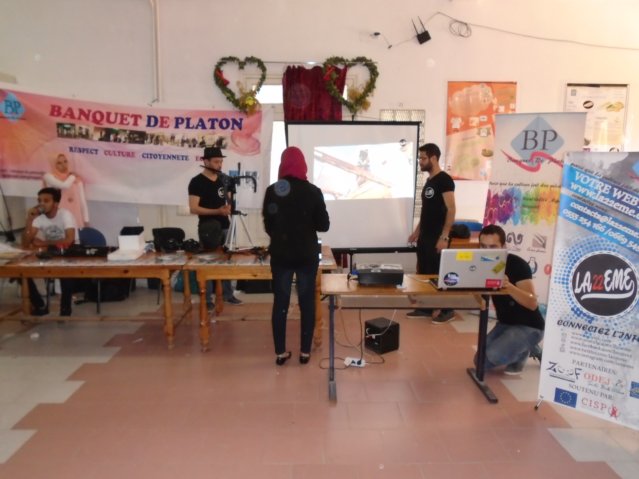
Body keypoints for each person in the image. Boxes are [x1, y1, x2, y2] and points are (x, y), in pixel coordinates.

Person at [262, 146, 330, 366]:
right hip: (306, 255)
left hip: (281, 255)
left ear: (283, 164)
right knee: (307, 302)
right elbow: (324, 225)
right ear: (303, 165)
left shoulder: (273, 190)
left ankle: (280, 353)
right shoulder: (313, 191)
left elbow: (268, 224)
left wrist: (282, 233)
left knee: (280, 303)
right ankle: (305, 352)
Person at [477, 224, 544, 375]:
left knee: (493, 356)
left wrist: (509, 287)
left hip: (530, 326)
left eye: (493, 247)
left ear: (504, 247)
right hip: (505, 324)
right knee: (479, 361)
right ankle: (525, 346)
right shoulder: (481, 263)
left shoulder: (518, 265)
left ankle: (524, 350)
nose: (487, 251)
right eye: (483, 246)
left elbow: (532, 303)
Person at [407, 143, 457, 323]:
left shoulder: (444, 180)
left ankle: (447, 310)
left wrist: (444, 236)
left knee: (439, 273)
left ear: (433, 158)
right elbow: (426, 211)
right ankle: (427, 308)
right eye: (419, 158)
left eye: (423, 158)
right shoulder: (429, 181)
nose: (420, 161)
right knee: (425, 272)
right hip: (425, 236)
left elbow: (451, 209)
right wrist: (416, 232)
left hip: (438, 236)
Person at [188, 146, 242, 306]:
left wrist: (229, 207)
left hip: (225, 225)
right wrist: (217, 211)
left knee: (227, 260)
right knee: (208, 263)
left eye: (221, 161)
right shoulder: (197, 182)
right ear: (206, 161)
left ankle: (228, 294)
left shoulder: (224, 180)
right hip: (208, 228)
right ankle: (207, 299)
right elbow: (193, 208)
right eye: (216, 162)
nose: (220, 165)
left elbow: (229, 201)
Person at [21, 187, 78, 316]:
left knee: (65, 272)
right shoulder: (38, 218)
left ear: (56, 203)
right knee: (20, 273)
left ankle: (65, 309)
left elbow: (69, 240)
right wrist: (29, 220)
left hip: (70, 251)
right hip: (52, 251)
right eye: (39, 200)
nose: (41, 204)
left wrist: (44, 243)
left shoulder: (65, 215)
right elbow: (25, 243)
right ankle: (39, 304)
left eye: (46, 201)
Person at [42, 153, 89, 228]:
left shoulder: (77, 180)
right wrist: (72, 176)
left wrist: (86, 220)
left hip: (75, 216)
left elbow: (82, 201)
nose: (63, 165)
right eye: (59, 163)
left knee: (75, 234)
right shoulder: (49, 177)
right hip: (57, 216)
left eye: (65, 161)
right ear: (53, 164)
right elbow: (64, 185)